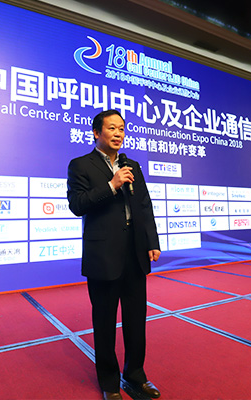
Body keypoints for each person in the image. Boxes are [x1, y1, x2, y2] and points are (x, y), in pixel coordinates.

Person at [67, 110, 161, 400]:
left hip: (135, 253)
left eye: (122, 128)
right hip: (103, 255)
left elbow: (144, 206)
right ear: (97, 133)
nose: (118, 133)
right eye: (112, 128)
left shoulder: (132, 166)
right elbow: (77, 205)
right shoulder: (80, 165)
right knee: (105, 322)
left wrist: (152, 241)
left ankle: (135, 375)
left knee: (136, 320)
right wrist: (111, 185)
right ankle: (109, 382)